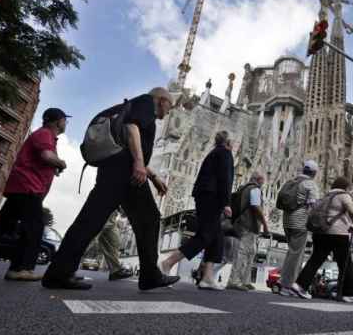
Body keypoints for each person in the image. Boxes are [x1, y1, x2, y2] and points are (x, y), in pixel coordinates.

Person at [42, 88, 179, 291]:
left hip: (119, 171)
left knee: (109, 219)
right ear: (161, 100)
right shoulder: (145, 102)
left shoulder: (139, 106)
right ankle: (58, 274)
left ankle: (59, 272)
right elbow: (132, 128)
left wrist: (153, 175)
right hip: (124, 173)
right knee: (98, 220)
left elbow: (128, 144)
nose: (169, 111)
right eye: (170, 105)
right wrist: (140, 164)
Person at [0, 108, 68, 281]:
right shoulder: (45, 133)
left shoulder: (47, 136)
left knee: (1, 226)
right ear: (57, 121)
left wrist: (54, 166)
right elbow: (46, 155)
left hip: (24, 187)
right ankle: (22, 268)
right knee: (34, 227)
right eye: (64, 120)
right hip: (27, 186)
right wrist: (61, 163)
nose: (66, 123)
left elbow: (44, 159)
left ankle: (17, 267)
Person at [159, 131, 235, 290]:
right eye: (232, 142)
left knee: (216, 237)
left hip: (204, 196)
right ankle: (168, 262)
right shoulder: (225, 153)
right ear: (228, 142)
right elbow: (225, 179)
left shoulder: (213, 153)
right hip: (212, 198)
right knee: (205, 236)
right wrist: (226, 203)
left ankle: (207, 277)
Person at [293, 177, 353, 303]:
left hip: (320, 232)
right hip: (338, 235)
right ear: (345, 187)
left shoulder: (327, 196)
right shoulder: (343, 195)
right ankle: (349, 293)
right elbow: (352, 212)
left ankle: (300, 285)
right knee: (346, 264)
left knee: (315, 260)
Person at [278, 160, 320, 296]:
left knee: (292, 253)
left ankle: (285, 281)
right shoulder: (310, 184)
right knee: (295, 255)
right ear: (314, 173)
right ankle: (286, 285)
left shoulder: (293, 181)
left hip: (287, 222)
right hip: (300, 223)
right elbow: (314, 206)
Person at [227, 171, 270, 291]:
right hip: (248, 225)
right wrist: (265, 224)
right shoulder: (254, 189)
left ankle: (245, 280)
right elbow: (256, 206)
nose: (264, 183)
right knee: (243, 252)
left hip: (246, 225)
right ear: (258, 179)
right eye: (263, 180)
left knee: (251, 252)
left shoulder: (245, 188)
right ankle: (234, 280)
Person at [85, 209, 133, 281]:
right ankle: (67, 265)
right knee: (90, 240)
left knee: (114, 242)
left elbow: (123, 212)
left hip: (112, 216)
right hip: (102, 211)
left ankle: (115, 271)